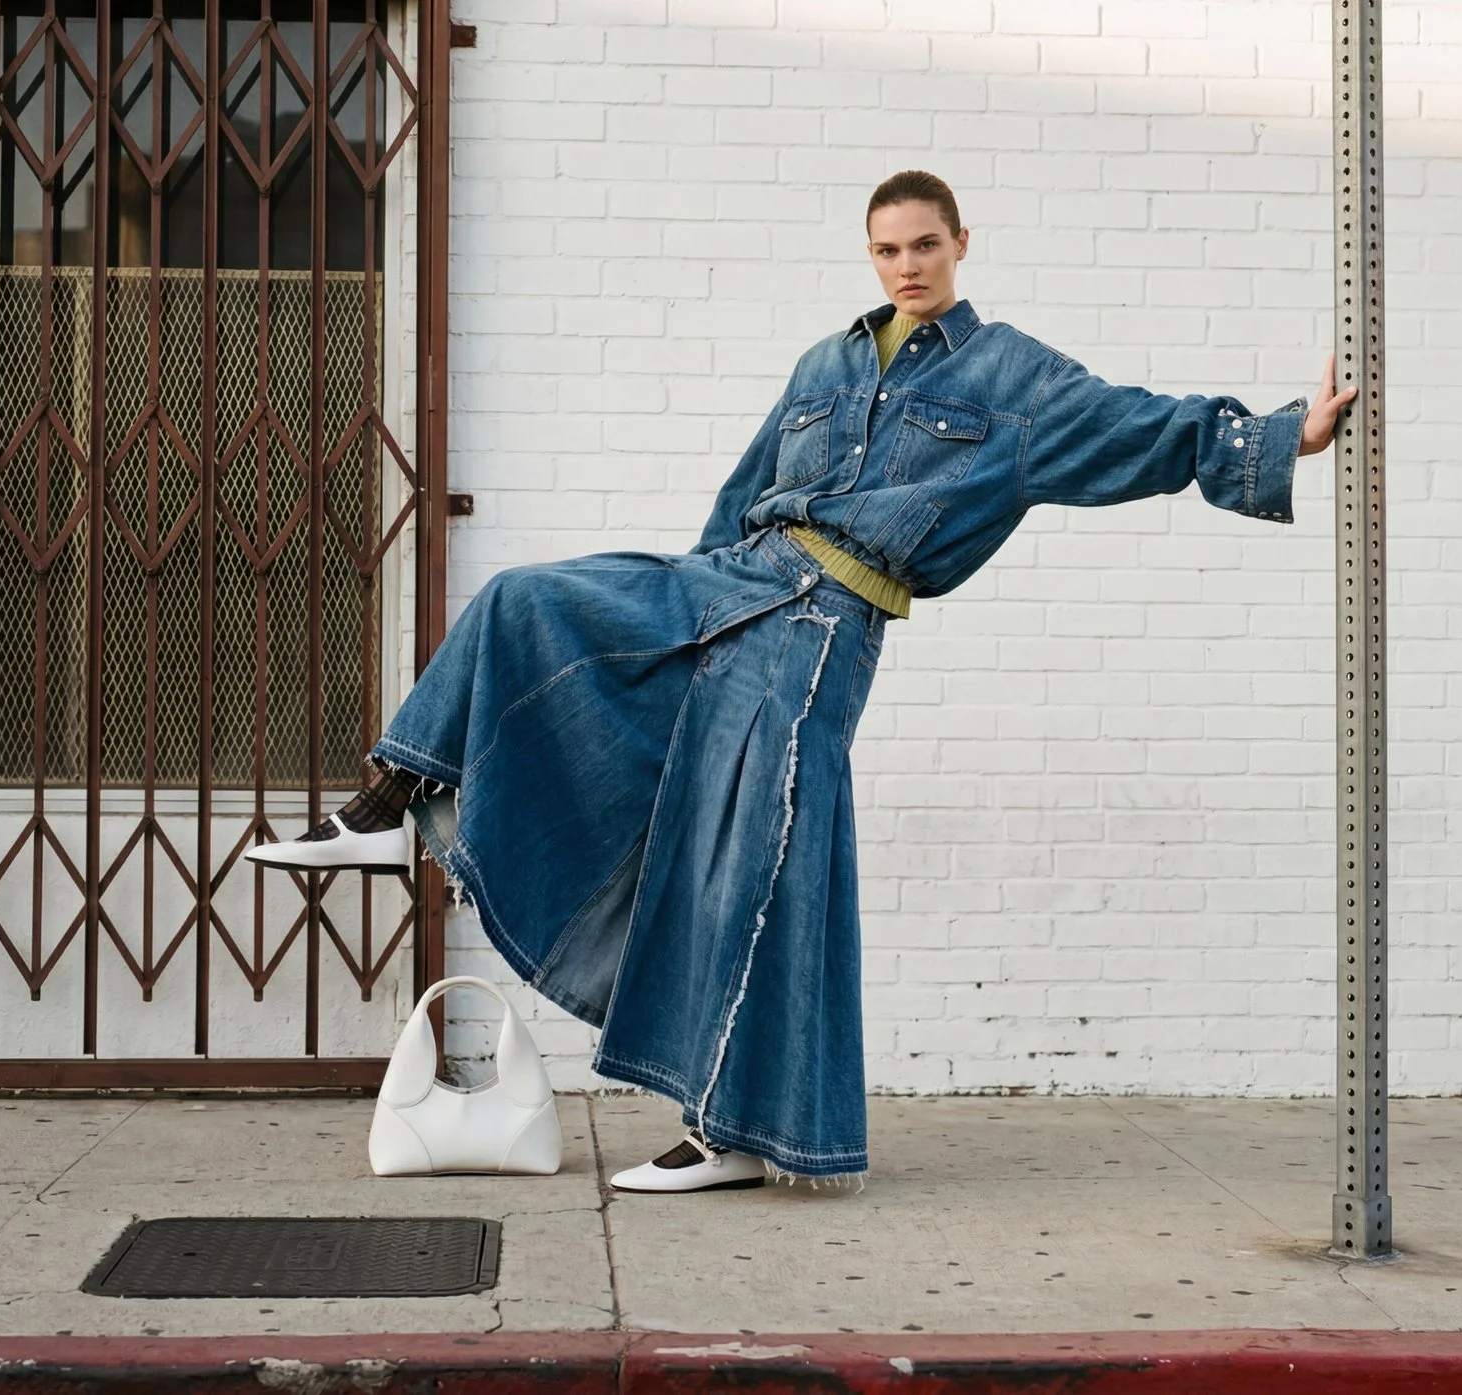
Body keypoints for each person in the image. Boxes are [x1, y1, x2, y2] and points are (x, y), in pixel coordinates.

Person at [248, 170, 1356, 1193]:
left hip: (826, 628)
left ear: (961, 244)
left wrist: (1278, 439)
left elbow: (1136, 426)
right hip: (732, 585)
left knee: (752, 863)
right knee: (522, 600)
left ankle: (725, 1134)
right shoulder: (825, 364)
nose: (907, 266)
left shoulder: (1011, 375)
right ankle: (393, 799)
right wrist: (674, 635)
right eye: (887, 249)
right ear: (869, 255)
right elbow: (741, 494)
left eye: (925, 246)